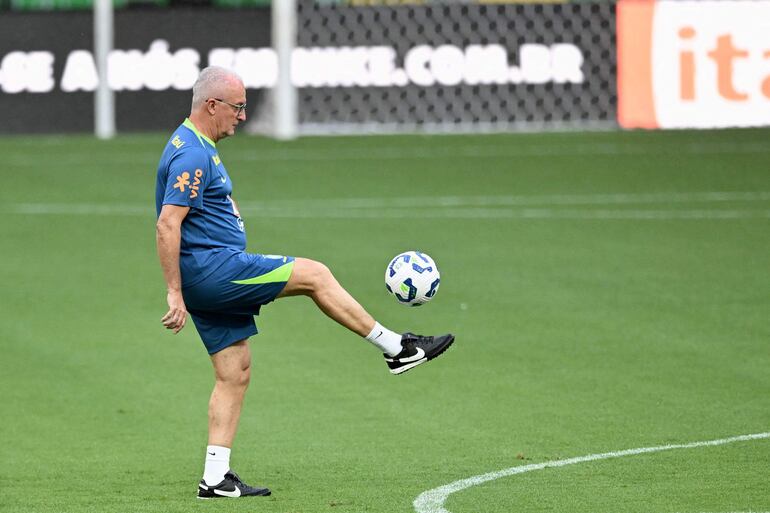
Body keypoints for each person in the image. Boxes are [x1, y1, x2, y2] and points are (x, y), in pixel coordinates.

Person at [155, 66, 455, 500]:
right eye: (238, 107)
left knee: (234, 372)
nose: (242, 116)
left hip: (209, 273)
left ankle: (215, 479)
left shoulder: (195, 145)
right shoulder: (192, 155)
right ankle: (398, 349)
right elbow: (168, 224)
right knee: (315, 275)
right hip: (214, 270)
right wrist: (174, 291)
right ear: (212, 105)